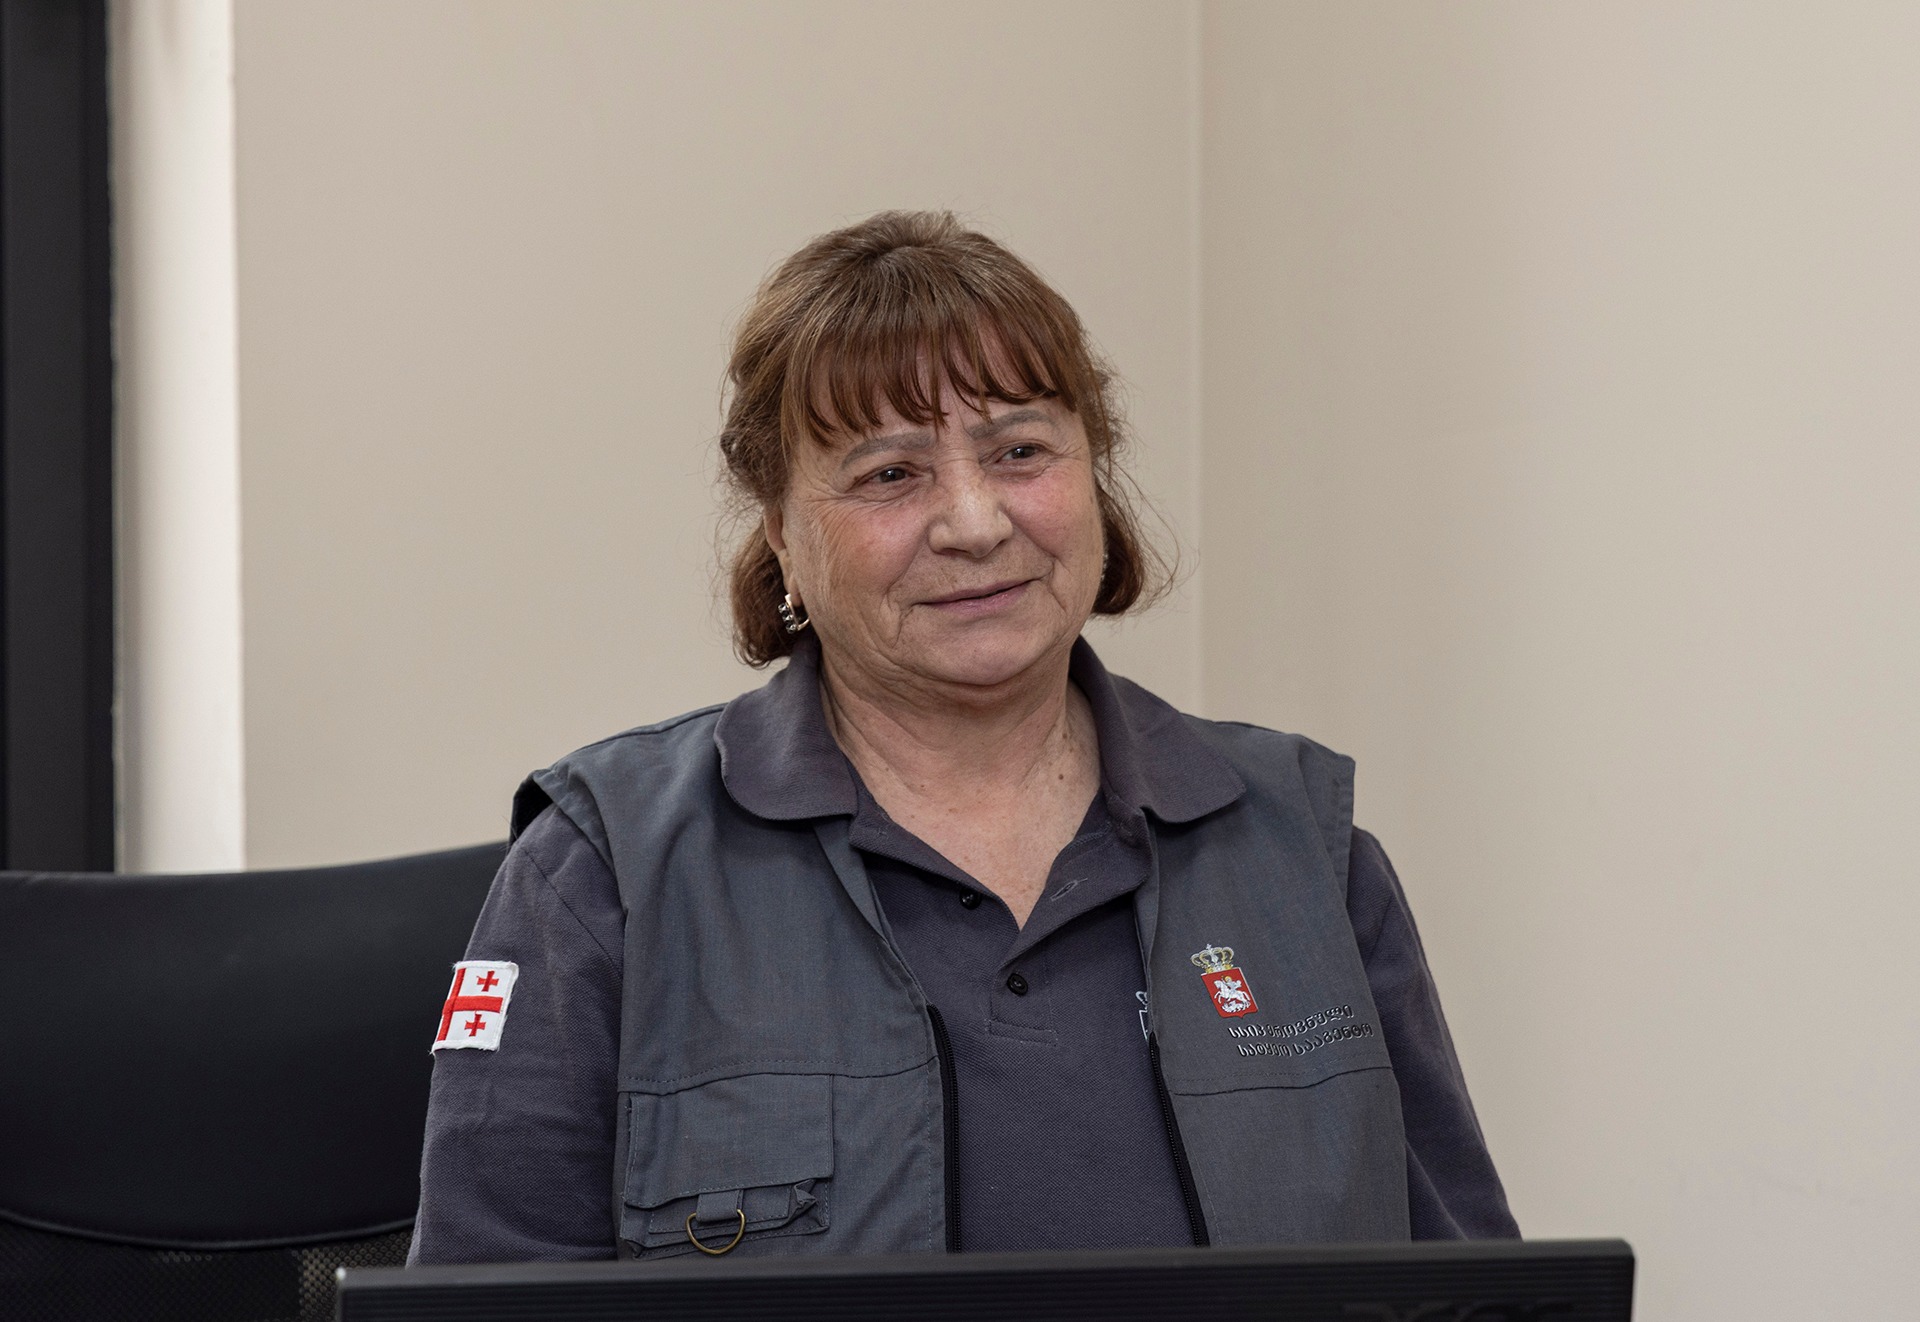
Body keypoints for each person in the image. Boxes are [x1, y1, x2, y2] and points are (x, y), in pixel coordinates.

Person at [409, 211, 1517, 1264]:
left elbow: (1470, 1293)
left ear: (1095, 477)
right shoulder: (601, 875)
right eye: (890, 474)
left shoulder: (1303, 847)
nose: (976, 522)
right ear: (782, 533)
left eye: (1021, 450)